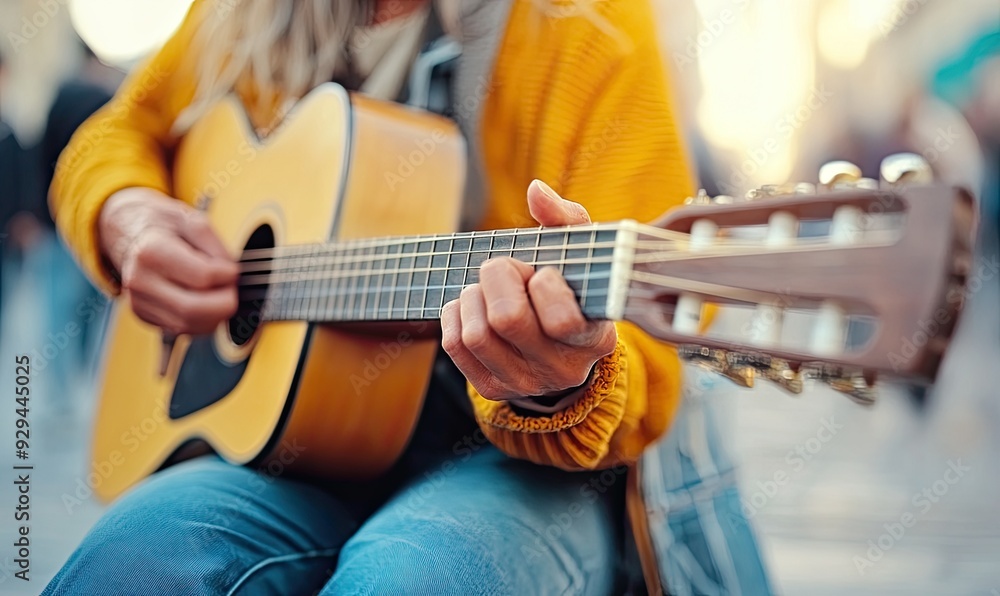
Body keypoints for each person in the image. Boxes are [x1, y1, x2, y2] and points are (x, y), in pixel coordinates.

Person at [44, 1, 772, 593]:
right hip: (292, 448)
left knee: (408, 578)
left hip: (512, 467)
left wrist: (562, 381)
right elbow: (113, 133)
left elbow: (649, 355)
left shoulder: (589, 21)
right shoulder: (240, 12)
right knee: (129, 565)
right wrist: (124, 215)